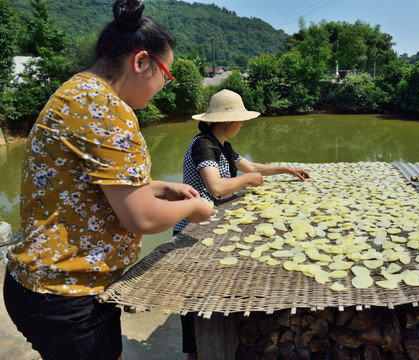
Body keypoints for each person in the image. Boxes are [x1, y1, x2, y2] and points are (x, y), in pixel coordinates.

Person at [2, 1, 215, 360]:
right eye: (167, 73)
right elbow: (142, 218)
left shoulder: (78, 92)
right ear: (141, 61)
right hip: (66, 293)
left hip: (44, 285)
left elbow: (89, 187)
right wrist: (192, 207)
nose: (164, 85)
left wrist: (162, 188)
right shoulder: (107, 109)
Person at [173, 89, 310, 359]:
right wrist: (247, 181)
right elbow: (216, 187)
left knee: (212, 289)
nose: (242, 124)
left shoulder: (222, 144)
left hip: (212, 225)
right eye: (240, 119)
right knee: (195, 296)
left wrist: (287, 170)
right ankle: (196, 352)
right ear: (227, 122)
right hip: (192, 229)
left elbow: (251, 166)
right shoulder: (204, 144)